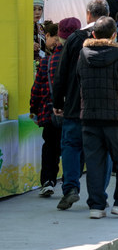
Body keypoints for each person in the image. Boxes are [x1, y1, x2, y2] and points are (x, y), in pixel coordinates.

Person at [52, 0, 118, 211]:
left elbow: (61, 74)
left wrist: (57, 101)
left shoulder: (74, 39)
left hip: (75, 105)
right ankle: (99, 193)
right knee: (104, 149)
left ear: (88, 15)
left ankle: (71, 188)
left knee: (71, 146)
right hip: (105, 108)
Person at [78, 16, 118, 219]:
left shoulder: (83, 55)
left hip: (89, 116)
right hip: (117, 117)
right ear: (114, 35)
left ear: (93, 34)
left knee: (95, 163)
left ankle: (96, 206)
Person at [30, 19, 77, 197]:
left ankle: (48, 181)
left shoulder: (46, 62)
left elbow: (36, 89)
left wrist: (33, 109)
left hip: (50, 113)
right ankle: (69, 183)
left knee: (50, 146)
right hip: (73, 111)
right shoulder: (78, 58)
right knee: (71, 147)